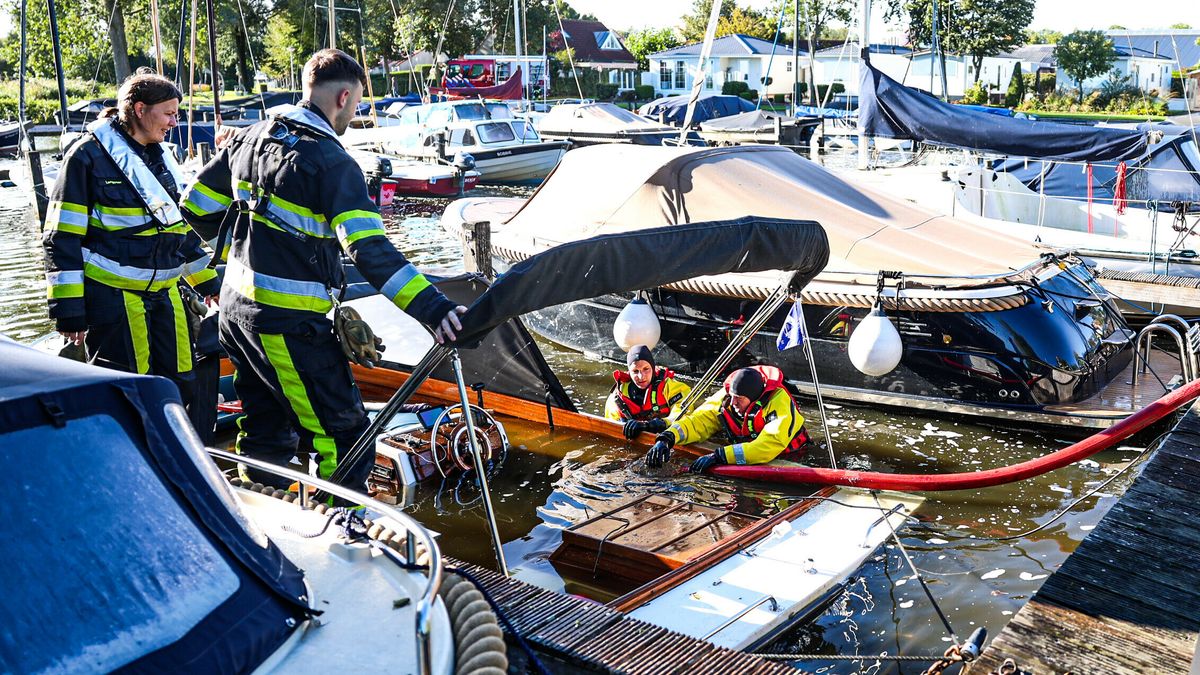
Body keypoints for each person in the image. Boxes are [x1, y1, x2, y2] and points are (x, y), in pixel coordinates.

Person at [179, 48, 466, 492]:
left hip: (236, 316)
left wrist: (250, 247)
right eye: (357, 106)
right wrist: (434, 308)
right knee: (345, 437)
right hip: (287, 324)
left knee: (265, 426)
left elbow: (195, 207)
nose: (354, 114)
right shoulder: (334, 165)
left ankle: (259, 514)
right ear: (344, 97)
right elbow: (370, 251)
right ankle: (345, 535)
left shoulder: (251, 137)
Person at [43, 73, 220, 407]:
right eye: (168, 113)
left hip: (166, 296)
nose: (174, 122)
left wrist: (209, 284)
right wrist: (70, 312)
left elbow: (177, 231)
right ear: (140, 109)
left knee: (182, 381)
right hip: (114, 299)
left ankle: (180, 453)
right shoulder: (86, 158)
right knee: (128, 391)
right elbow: (61, 238)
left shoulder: (161, 156)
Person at [644, 365, 811, 473]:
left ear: (753, 398)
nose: (732, 403)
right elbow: (698, 420)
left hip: (790, 457)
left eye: (739, 398)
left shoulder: (779, 404)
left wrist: (718, 456)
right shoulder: (728, 396)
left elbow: (767, 446)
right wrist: (667, 438)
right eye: (731, 396)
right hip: (744, 452)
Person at [604, 344, 691, 440]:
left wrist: (650, 425)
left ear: (653, 368)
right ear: (629, 371)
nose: (641, 377)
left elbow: (683, 416)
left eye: (646, 369)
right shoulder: (617, 396)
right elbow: (611, 427)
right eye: (635, 371)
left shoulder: (672, 388)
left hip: (665, 438)